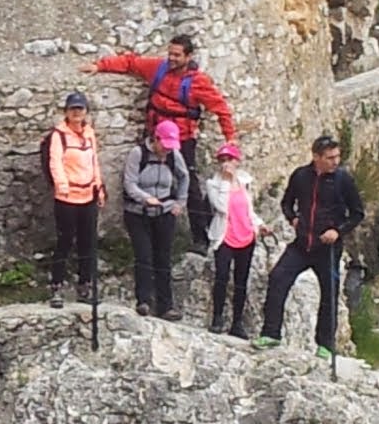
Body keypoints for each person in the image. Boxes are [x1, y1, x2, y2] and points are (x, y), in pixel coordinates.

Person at [81, 34, 255, 253]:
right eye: (170, 53)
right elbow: (131, 63)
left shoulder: (198, 82)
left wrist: (230, 137)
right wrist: (100, 66)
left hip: (181, 140)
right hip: (155, 137)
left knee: (189, 183)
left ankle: (200, 237)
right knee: (143, 178)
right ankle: (143, 229)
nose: (171, 58)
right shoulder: (158, 68)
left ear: (188, 56)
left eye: (177, 55)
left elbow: (220, 108)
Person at [254, 135, 365, 357]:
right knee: (278, 278)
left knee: (329, 293)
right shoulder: (301, 176)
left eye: (337, 156)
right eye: (330, 157)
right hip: (302, 243)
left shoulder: (343, 180)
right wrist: (292, 218)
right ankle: (271, 334)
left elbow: (357, 213)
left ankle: (325, 345)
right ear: (316, 157)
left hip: (328, 249)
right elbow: (287, 202)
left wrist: (338, 231)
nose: (335, 161)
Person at [122, 119, 189, 320]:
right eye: (164, 146)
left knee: (163, 258)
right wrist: (145, 198)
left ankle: (166, 306)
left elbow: (184, 176)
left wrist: (180, 202)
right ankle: (143, 301)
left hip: (165, 212)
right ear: (156, 139)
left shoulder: (174, 156)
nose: (166, 151)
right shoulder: (138, 154)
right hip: (138, 213)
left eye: (170, 148)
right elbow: (130, 183)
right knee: (144, 256)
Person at [46, 91, 105, 308]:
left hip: (87, 195)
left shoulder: (89, 134)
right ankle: (57, 286)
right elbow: (56, 163)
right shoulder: (59, 135)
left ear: (86, 111)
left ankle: (84, 285)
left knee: (87, 242)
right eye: (73, 109)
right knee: (64, 241)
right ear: (66, 112)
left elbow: (94, 162)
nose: (76, 113)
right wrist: (62, 187)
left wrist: (98, 187)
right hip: (67, 197)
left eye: (80, 109)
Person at [205, 142, 270, 337]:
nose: (226, 164)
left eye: (230, 160)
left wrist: (259, 224)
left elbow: (247, 209)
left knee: (241, 281)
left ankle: (237, 323)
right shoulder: (213, 184)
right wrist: (225, 181)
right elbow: (221, 207)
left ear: (237, 161)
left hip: (245, 236)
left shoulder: (245, 182)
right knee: (222, 277)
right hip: (224, 236)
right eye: (222, 160)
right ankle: (217, 318)